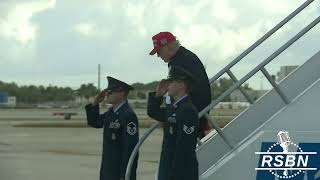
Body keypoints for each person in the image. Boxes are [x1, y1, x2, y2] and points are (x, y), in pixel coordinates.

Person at [149, 31, 212, 138]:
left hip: (188, 117)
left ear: (168, 46)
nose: (158, 56)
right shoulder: (184, 58)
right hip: (192, 114)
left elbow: (197, 91)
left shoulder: (180, 62)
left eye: (159, 51)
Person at [147, 66, 199, 180]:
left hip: (180, 171)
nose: (167, 85)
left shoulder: (188, 110)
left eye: (171, 82)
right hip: (168, 166)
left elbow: (184, 148)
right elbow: (153, 112)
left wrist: (174, 175)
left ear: (182, 85)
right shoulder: (173, 108)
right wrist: (158, 95)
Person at [85, 76, 139, 180]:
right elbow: (94, 122)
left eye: (110, 91)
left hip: (119, 171)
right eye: (107, 91)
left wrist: (126, 175)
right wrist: (95, 103)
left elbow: (130, 150)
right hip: (108, 169)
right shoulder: (111, 112)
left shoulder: (128, 115)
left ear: (121, 93)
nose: (107, 94)